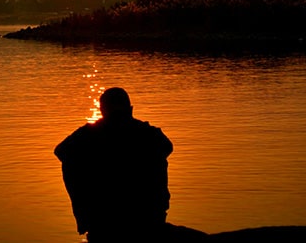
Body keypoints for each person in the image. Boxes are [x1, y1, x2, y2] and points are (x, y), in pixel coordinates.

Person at [54, 87, 207, 242]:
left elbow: (61, 151)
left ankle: (91, 217)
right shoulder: (148, 133)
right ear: (130, 109)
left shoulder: (88, 134)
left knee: (71, 162)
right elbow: (167, 147)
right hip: (142, 218)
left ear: (102, 111)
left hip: (108, 219)